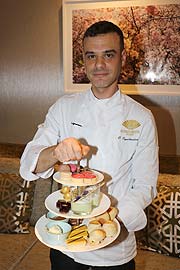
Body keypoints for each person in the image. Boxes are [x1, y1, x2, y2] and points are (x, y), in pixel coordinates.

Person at [20, 21, 159, 270]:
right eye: (91, 56)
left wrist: (106, 220)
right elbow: (29, 163)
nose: (99, 65)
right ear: (83, 59)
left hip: (114, 246)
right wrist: (56, 151)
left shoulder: (142, 117)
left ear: (122, 58)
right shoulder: (63, 108)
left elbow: (145, 185)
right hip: (65, 244)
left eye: (108, 54)